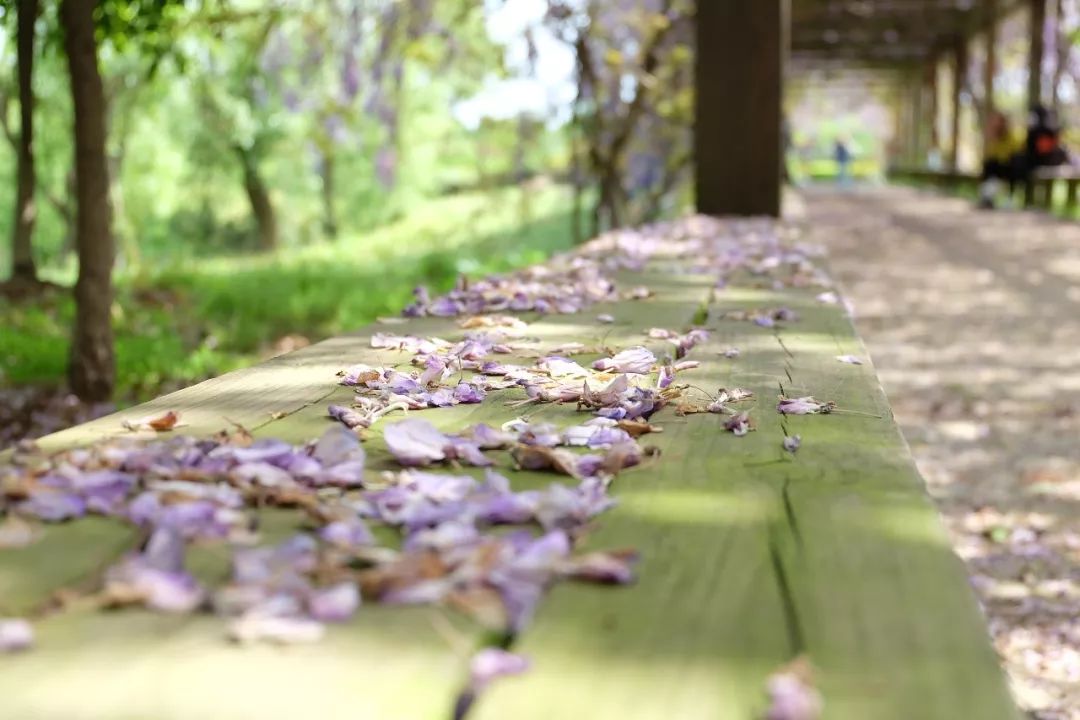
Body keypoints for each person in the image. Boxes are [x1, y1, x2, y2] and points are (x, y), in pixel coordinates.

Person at [978, 110, 1024, 209]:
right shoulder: (994, 138)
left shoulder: (1012, 136)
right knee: (989, 164)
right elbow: (992, 156)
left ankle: (1010, 198)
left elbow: (1015, 153)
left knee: (1015, 162)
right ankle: (986, 196)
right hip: (1000, 167)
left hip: (1013, 168)